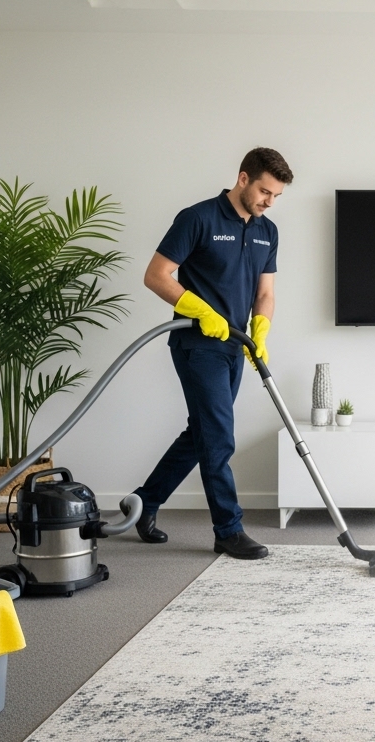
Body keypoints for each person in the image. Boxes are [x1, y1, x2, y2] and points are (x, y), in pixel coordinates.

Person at [131, 148, 293, 559]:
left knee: (202, 432)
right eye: (263, 191)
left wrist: (262, 327)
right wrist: (200, 310)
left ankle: (143, 503)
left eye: (275, 196)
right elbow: (156, 275)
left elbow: (266, 292)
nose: (268, 202)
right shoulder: (198, 218)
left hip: (237, 347)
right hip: (197, 344)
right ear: (243, 178)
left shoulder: (266, 231)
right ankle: (228, 529)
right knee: (219, 435)